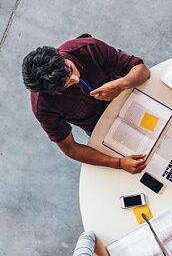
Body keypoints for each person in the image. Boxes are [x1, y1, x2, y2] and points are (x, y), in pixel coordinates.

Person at [22, 36, 151, 173]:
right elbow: (70, 148)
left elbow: (143, 71)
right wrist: (119, 163)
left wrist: (120, 85)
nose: (76, 79)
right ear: (51, 92)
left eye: (70, 69)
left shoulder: (88, 48)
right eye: (67, 84)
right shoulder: (42, 107)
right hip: (102, 128)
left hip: (129, 97)